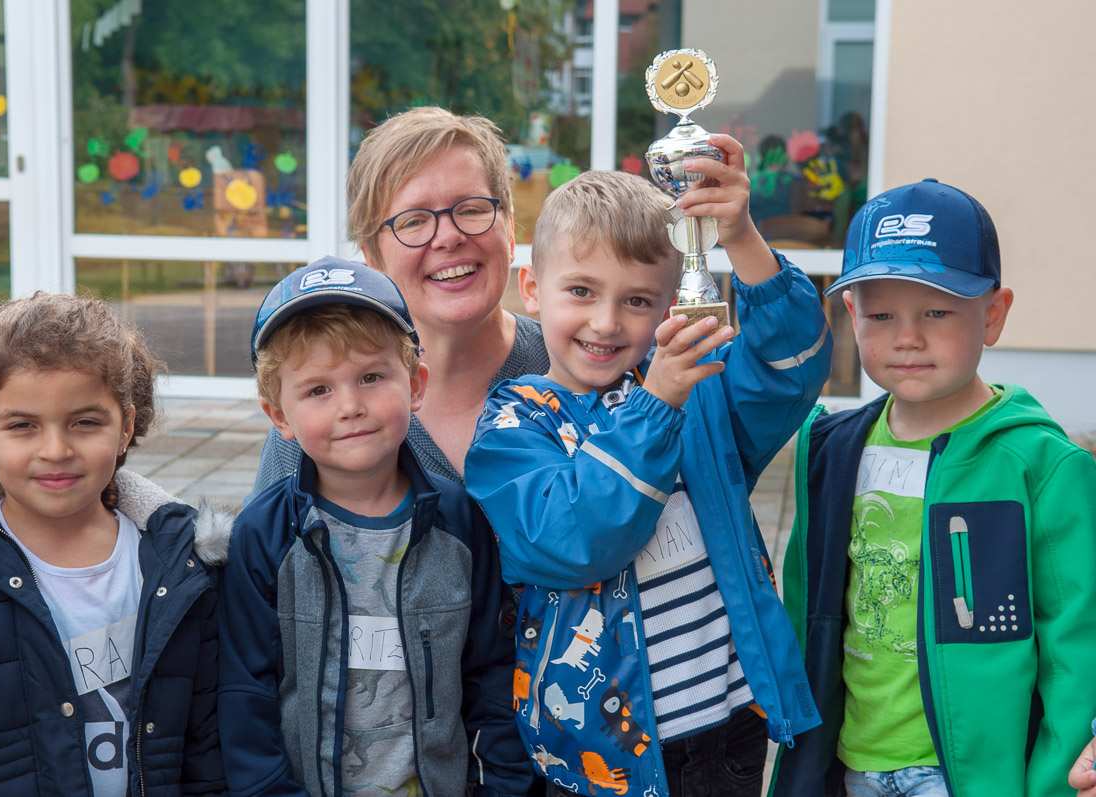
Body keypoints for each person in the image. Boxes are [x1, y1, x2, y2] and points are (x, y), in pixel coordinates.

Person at [465, 163, 832, 796]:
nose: (606, 322)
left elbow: (791, 367)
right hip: (601, 753)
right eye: (581, 291)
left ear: (670, 306)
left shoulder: (697, 393)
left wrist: (742, 238)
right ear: (532, 288)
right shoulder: (513, 424)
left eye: (637, 301)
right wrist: (656, 405)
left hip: (729, 729)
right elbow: (573, 542)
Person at [768, 179, 1096, 797]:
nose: (907, 338)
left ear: (993, 314)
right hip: (852, 764)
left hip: (968, 779)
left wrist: (1055, 783)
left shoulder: (1040, 465)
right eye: (881, 315)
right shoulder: (831, 451)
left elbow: (1078, 647)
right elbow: (808, 611)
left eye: (937, 312)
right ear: (851, 316)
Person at [217, 258, 534, 795]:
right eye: (318, 390)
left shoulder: (460, 521)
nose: (350, 406)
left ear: (415, 384)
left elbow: (492, 675)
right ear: (279, 416)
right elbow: (245, 697)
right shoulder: (263, 535)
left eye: (371, 377)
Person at [0, 292, 228, 795]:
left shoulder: (183, 569)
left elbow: (209, 750)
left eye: (85, 422)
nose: (55, 450)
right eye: (23, 426)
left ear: (126, 427)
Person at [253, 106, 549, 491]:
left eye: (472, 209)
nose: (448, 237)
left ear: (509, 230)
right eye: (413, 221)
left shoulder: (581, 370)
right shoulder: (319, 416)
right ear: (373, 259)